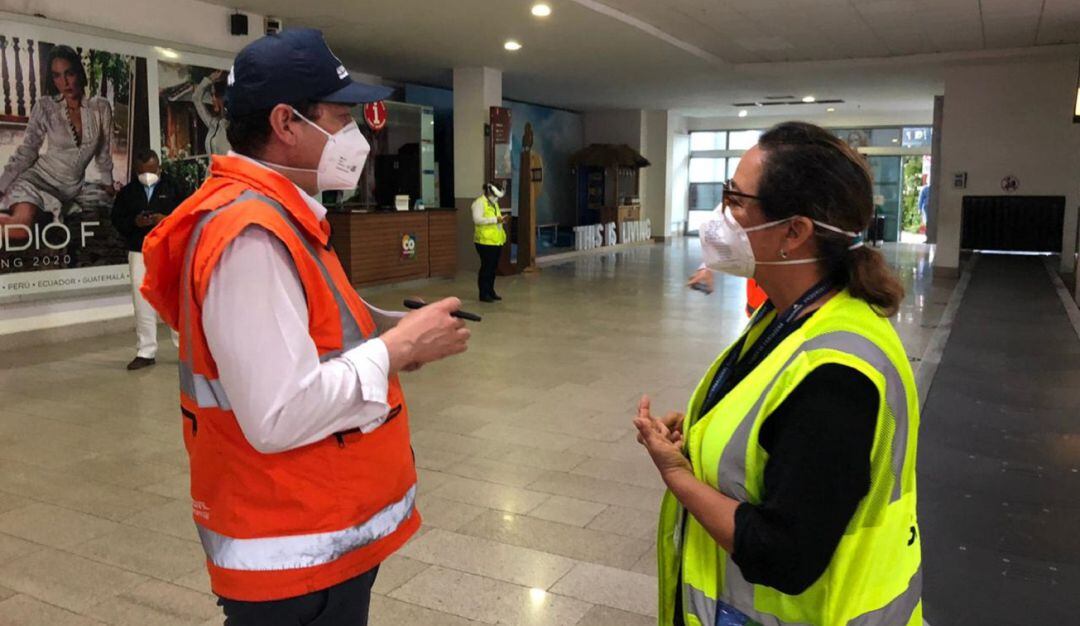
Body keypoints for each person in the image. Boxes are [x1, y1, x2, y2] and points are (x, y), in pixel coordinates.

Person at [139, 29, 471, 625]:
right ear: (286, 123)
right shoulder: (250, 236)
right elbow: (278, 414)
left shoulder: (281, 216)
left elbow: (318, 336)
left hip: (312, 531)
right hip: (290, 553)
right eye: (340, 117)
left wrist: (399, 332)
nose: (355, 135)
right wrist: (394, 350)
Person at [635, 122, 922, 626]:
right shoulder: (789, 314)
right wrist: (701, 438)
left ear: (794, 232)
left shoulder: (837, 376)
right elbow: (772, 433)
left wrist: (676, 473)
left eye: (736, 200)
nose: (721, 217)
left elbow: (785, 555)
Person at [0, 45, 116, 242]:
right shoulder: (45, 106)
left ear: (79, 72)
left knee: (36, 226)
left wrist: (108, 183)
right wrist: (2, 185)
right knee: (21, 229)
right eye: (57, 76)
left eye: (69, 73)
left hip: (67, 191)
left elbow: (103, 151)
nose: (64, 82)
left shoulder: (100, 107)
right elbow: (28, 150)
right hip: (36, 180)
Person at [111, 149, 184, 370]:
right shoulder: (128, 192)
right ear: (136, 171)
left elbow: (188, 215)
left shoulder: (175, 187)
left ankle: (185, 351)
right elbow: (117, 220)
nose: (147, 175)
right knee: (141, 300)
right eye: (142, 172)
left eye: (151, 170)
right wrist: (135, 223)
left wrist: (166, 219)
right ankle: (146, 351)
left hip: (169, 249)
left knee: (176, 300)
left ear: (158, 167)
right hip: (139, 250)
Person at [472, 182, 508, 302]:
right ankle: (483, 294)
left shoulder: (494, 203)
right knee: (486, 267)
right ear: (488, 192)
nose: (496, 198)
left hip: (496, 241)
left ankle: (491, 291)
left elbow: (496, 220)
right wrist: (495, 220)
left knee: (493, 268)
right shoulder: (479, 203)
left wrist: (501, 220)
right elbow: (477, 220)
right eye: (495, 195)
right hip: (484, 241)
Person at [194, 70, 231, 156]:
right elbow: (196, 98)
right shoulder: (214, 124)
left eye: (213, 95)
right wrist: (209, 79)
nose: (212, 99)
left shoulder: (233, 126)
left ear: (222, 98)